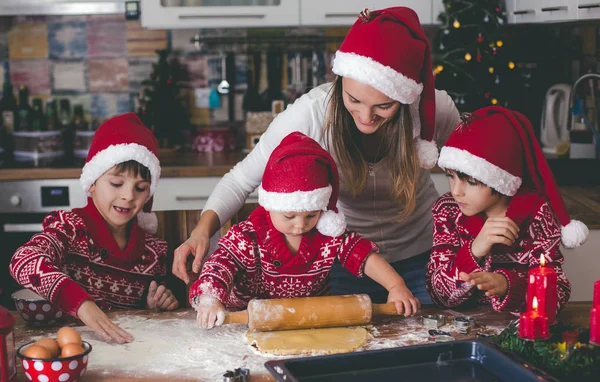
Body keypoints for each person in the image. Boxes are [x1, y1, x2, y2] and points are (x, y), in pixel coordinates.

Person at [173, 7, 460, 304]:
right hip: (341, 262)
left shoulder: (435, 110)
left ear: (405, 97)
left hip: (423, 257)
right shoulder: (311, 113)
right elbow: (240, 180)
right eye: (354, 99)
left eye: (383, 107)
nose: (365, 116)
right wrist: (201, 231)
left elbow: (476, 172)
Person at [191, 132, 420, 329]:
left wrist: (396, 285)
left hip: (310, 322)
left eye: (311, 215)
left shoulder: (328, 234)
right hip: (244, 323)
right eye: (289, 216)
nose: (300, 225)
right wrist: (211, 298)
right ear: (271, 205)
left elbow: (363, 256)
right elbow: (220, 264)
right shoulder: (248, 236)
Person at [10, 113, 178, 343]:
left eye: (140, 188)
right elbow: (23, 260)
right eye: (116, 184)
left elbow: (141, 323)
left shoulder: (154, 251)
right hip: (76, 352)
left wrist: (154, 306)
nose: (128, 196)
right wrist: (81, 304)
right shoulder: (70, 229)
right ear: (92, 184)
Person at [426, 106, 588, 313]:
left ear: (500, 180)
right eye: (450, 176)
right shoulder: (447, 210)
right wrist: (475, 250)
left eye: (472, 182)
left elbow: (558, 294)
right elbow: (438, 294)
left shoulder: (537, 214)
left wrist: (507, 286)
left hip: (519, 332)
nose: (456, 191)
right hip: (462, 330)